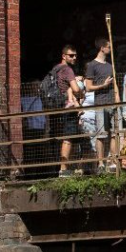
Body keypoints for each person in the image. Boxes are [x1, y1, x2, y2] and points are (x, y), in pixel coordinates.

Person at [40, 45, 84, 175]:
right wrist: (81, 94)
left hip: (55, 108)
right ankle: (64, 169)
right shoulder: (67, 69)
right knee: (68, 137)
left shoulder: (55, 69)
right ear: (64, 56)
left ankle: (57, 168)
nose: (74, 57)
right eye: (71, 55)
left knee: (57, 137)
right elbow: (75, 89)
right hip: (67, 107)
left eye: (75, 55)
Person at [79, 38, 116, 171]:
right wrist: (103, 85)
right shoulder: (92, 65)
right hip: (100, 103)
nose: (110, 49)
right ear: (102, 48)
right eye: (109, 47)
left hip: (112, 102)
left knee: (114, 133)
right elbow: (88, 87)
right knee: (101, 134)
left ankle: (112, 161)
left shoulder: (110, 65)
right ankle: (100, 163)